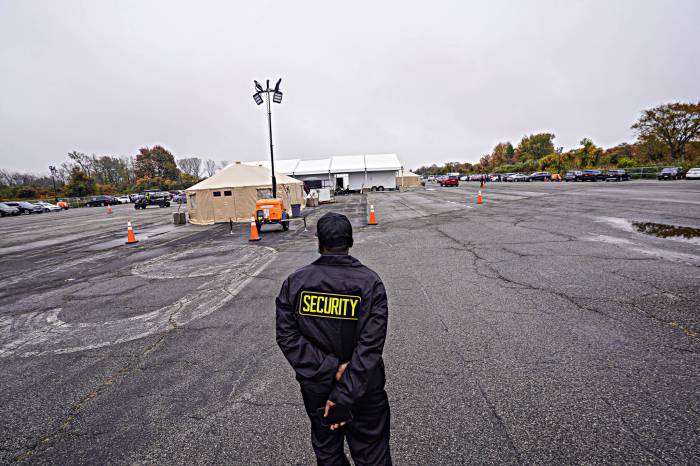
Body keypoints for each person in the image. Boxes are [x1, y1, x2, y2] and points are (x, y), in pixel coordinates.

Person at [276, 212, 392, 466]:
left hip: (318, 389)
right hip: (364, 387)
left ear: (319, 243)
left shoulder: (295, 283)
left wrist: (330, 372)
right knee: (373, 455)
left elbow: (287, 336)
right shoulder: (370, 282)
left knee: (328, 454)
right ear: (350, 242)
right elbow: (370, 345)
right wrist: (346, 387)